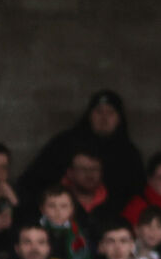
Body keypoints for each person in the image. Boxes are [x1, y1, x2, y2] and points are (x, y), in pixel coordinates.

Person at [19, 89, 145, 217]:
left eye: (110, 113)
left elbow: (136, 194)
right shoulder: (65, 144)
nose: (104, 118)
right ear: (90, 115)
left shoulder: (129, 154)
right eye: (99, 112)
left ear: (119, 118)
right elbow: (34, 182)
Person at [39, 185, 94, 259]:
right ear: (42, 209)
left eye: (64, 206)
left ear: (72, 209)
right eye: (52, 206)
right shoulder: (37, 230)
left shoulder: (80, 232)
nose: (58, 211)